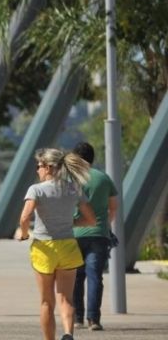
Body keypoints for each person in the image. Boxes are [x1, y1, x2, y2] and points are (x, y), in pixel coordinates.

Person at [19, 148, 97, 340]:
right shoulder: (73, 188)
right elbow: (91, 220)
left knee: (47, 302)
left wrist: (24, 233)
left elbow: (25, 216)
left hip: (44, 248)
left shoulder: (36, 189)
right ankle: (69, 333)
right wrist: (71, 222)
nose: (37, 170)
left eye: (38, 166)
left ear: (47, 167)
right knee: (66, 298)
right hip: (68, 247)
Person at [71, 142, 118, 331]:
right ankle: (94, 320)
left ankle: (77, 319)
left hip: (73, 234)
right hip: (99, 234)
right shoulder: (104, 179)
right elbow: (113, 207)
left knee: (75, 277)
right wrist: (106, 225)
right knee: (95, 277)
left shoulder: (70, 179)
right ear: (92, 158)